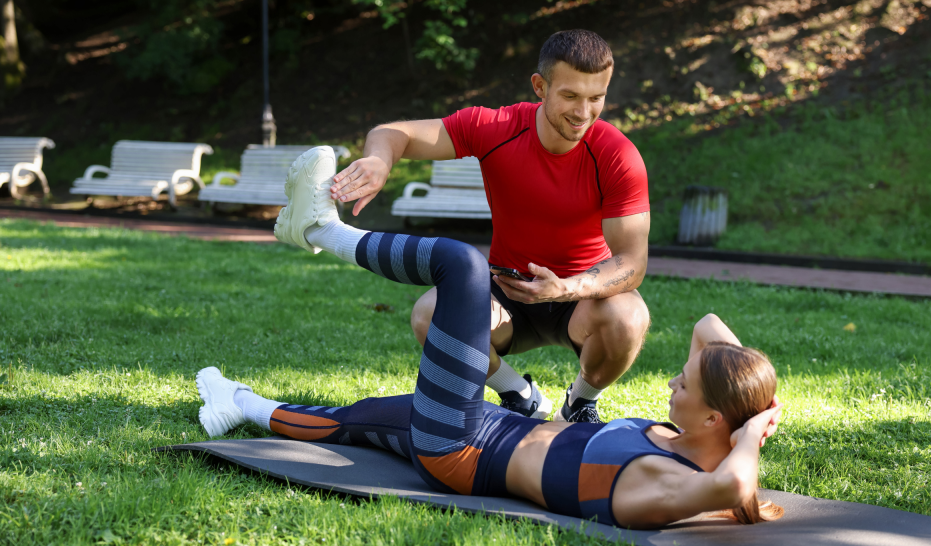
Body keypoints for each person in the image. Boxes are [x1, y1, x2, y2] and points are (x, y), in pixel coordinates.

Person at [196, 147, 784, 528]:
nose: (675, 379)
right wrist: (760, 400)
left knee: (463, 267)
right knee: (362, 418)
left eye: (685, 384)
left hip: (463, 452)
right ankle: (240, 403)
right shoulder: (687, 436)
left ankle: (322, 230)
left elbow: (734, 480)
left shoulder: (670, 483)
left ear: (715, 422)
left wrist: (753, 430)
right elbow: (709, 328)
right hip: (495, 428)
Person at [324, 29, 651, 423]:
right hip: (509, 296)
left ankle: (580, 403)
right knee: (430, 314)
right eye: (570, 96)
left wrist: (568, 287)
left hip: (581, 298)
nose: (583, 112)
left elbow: (632, 261)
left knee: (629, 318)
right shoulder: (497, 127)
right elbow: (393, 134)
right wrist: (380, 160)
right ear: (540, 87)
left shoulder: (617, 155)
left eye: (595, 98)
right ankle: (519, 394)